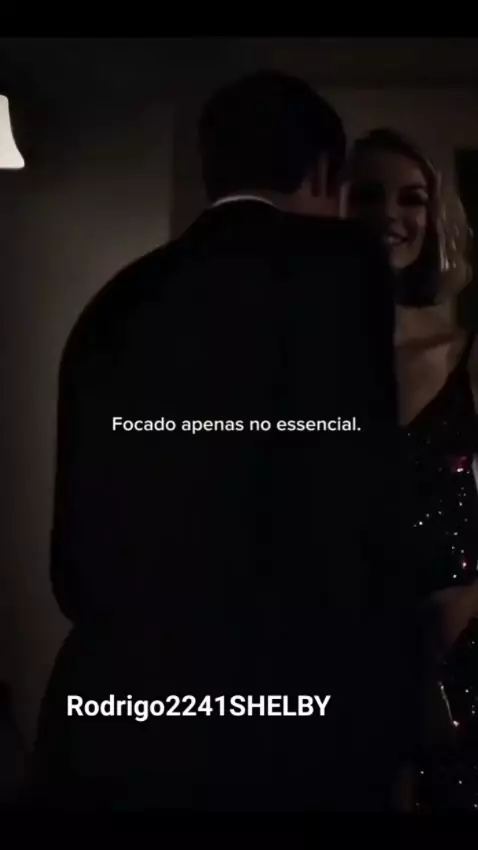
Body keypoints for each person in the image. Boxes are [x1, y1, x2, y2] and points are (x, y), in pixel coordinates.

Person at [25, 74, 420, 811]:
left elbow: (74, 561)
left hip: (112, 711)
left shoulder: (115, 299)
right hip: (279, 726)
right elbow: (358, 515)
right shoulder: (337, 265)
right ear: (322, 175)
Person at [344, 127, 478, 812]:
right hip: (337, 650)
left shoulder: (465, 353)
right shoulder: (300, 354)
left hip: (458, 657)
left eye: (412, 198)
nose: (390, 215)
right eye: (367, 194)